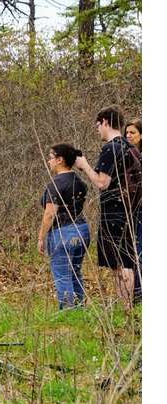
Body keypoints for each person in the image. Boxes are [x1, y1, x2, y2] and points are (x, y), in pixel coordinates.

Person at [74, 106, 138, 308]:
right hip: (130, 210)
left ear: (105, 122)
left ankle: (125, 306)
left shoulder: (111, 148)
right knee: (125, 259)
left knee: (120, 263)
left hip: (115, 211)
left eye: (98, 126)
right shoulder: (130, 146)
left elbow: (102, 182)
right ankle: (127, 307)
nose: (97, 130)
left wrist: (84, 166)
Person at [37, 144, 90, 309]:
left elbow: (49, 214)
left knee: (62, 275)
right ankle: (79, 307)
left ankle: (68, 311)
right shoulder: (80, 182)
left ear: (60, 160)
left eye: (51, 157)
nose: (49, 161)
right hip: (82, 230)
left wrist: (41, 237)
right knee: (75, 271)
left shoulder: (56, 184)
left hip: (63, 233)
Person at [125, 118, 142, 303]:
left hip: (141, 211)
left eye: (133, 133)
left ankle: (139, 292)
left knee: (140, 250)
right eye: (127, 133)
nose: (128, 136)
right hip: (132, 210)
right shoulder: (127, 155)